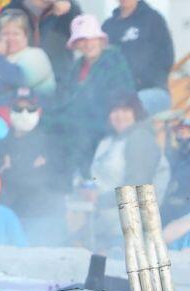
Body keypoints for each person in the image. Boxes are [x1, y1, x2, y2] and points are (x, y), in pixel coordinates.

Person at [51, 13, 136, 174]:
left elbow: (120, 103)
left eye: (91, 38)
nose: (88, 44)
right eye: (82, 39)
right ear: (76, 44)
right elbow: (63, 103)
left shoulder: (114, 62)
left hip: (108, 134)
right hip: (80, 134)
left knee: (130, 188)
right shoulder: (77, 67)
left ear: (100, 40)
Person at [0, 88, 68, 244]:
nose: (24, 113)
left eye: (30, 108)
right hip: (10, 217)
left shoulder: (51, 144)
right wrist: (31, 170)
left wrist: (11, 172)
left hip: (43, 218)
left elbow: (58, 181)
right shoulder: (0, 146)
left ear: (39, 111)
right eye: (18, 108)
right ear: (9, 111)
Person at [89, 91, 169, 238]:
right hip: (106, 224)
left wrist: (99, 200)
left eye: (126, 110)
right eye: (115, 110)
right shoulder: (110, 140)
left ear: (136, 112)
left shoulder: (140, 138)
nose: (120, 116)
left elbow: (137, 188)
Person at [0, 10, 56, 108]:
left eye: (16, 34)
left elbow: (18, 81)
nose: (10, 38)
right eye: (5, 34)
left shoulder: (36, 55)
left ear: (26, 36)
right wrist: (4, 85)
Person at [0, 1, 80, 82]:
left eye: (15, 34)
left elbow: (82, 35)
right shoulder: (11, 9)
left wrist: (70, 10)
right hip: (11, 82)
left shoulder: (68, 11)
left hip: (59, 81)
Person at [101, 0, 174, 93]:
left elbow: (166, 55)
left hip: (149, 89)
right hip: (114, 91)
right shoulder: (108, 26)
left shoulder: (153, 20)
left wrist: (144, 80)